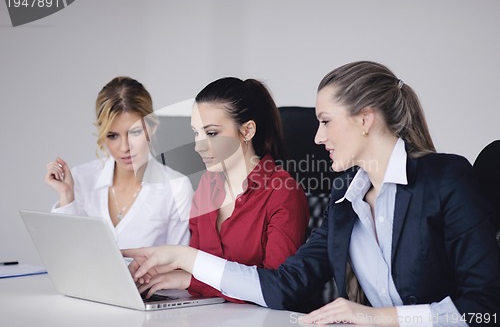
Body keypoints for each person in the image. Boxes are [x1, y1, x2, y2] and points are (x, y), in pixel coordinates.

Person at [123, 62, 500, 326]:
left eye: (325, 122)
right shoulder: (344, 199)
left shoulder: (446, 179)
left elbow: (488, 309)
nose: (317, 138)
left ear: (365, 119)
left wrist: (378, 318)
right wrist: (185, 259)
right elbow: (284, 286)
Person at [130, 77, 310, 303]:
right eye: (196, 133)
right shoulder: (208, 186)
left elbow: (277, 290)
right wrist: (166, 275)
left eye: (211, 133)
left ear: (247, 131)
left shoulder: (283, 193)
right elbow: (201, 268)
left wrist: (190, 279)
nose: (198, 146)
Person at [45, 76, 193, 249]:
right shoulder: (81, 178)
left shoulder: (177, 187)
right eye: (112, 136)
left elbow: (178, 265)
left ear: (152, 128)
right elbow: (65, 253)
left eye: (135, 132)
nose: (124, 147)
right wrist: (67, 196)